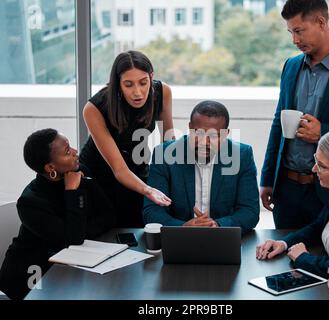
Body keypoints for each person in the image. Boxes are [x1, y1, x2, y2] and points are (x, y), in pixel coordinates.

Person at [260, 0, 329, 228]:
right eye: (291, 32)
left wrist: (324, 131)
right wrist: (267, 179)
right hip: (287, 189)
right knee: (282, 255)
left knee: (328, 258)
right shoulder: (290, 66)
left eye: (299, 31)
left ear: (321, 22)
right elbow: (277, 123)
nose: (294, 40)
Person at [0, 129, 116, 300]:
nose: (76, 152)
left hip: (71, 264)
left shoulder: (78, 172)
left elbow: (109, 216)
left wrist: (79, 231)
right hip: (33, 274)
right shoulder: (30, 202)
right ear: (50, 167)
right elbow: (73, 238)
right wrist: (71, 192)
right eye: (68, 152)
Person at [257, 129, 329, 300]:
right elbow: (318, 227)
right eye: (316, 160)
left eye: (322, 166)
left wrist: (303, 258)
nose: (313, 168)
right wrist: (284, 242)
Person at [80, 50, 173, 228]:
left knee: (141, 225)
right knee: (110, 230)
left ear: (151, 77)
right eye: (128, 84)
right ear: (118, 84)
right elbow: (119, 169)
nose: (137, 92)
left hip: (137, 165)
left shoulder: (162, 92)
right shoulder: (94, 108)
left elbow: (168, 141)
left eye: (143, 83)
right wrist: (148, 190)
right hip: (100, 174)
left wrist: (173, 176)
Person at [143, 100, 259, 234]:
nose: (204, 142)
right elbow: (151, 211)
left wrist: (217, 225)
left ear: (226, 134)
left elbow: (250, 211)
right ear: (190, 128)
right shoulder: (163, 155)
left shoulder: (242, 155)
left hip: (223, 239)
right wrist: (182, 227)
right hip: (178, 240)